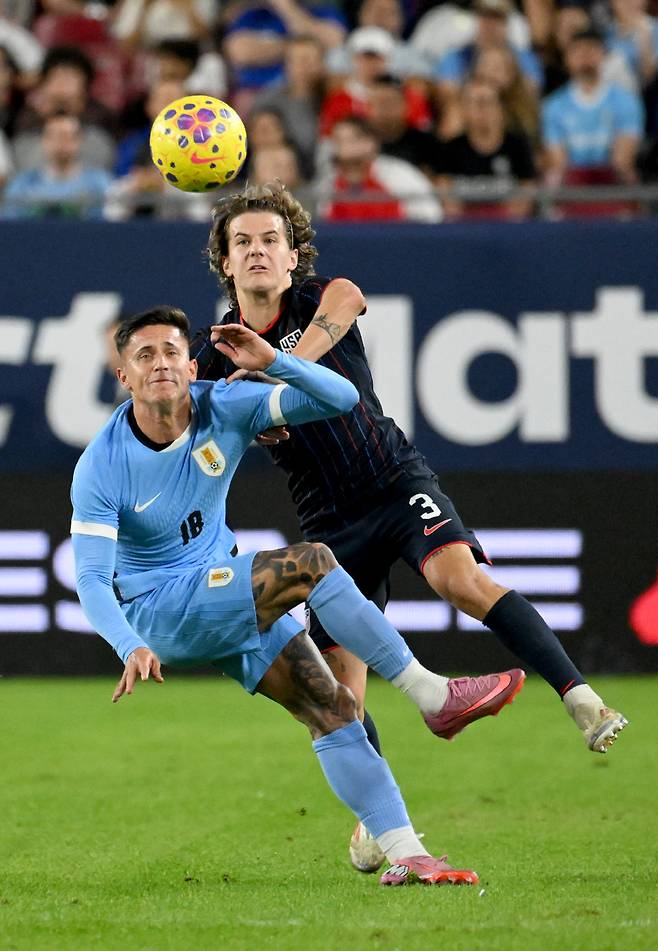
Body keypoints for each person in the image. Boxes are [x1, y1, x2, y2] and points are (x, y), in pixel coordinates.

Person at [193, 181, 628, 873]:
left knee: (461, 578)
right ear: (224, 262)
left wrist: (275, 366)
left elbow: (346, 304)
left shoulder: (320, 297)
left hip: (395, 481)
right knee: (341, 695)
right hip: (327, 522)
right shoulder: (212, 355)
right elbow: (188, 428)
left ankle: (581, 697)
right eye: (241, 242)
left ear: (292, 253)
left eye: (270, 240)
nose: (256, 252)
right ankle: (380, 826)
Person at [71, 302, 526, 887]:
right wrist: (127, 644)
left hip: (219, 591)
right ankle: (432, 693)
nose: (160, 363)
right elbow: (89, 578)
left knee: (333, 709)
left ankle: (407, 853)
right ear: (123, 376)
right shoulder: (101, 466)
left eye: (171, 352)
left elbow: (339, 399)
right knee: (309, 562)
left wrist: (276, 362)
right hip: (160, 612)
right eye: (144, 355)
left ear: (191, 365)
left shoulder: (225, 405)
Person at [542, 28, 644, 187]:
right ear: (567, 58)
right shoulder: (554, 106)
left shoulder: (626, 101)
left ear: (603, 55)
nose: (585, 58)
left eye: (591, 50)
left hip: (612, 187)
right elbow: (559, 163)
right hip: (572, 190)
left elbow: (622, 162)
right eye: (578, 52)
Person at [434, 78, 536, 219]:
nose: (481, 109)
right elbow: (447, 200)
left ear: (500, 107)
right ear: (463, 109)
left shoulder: (518, 146)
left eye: (487, 102)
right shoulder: (450, 149)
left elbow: (526, 195)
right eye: (474, 102)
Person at [315, 114, 442, 222]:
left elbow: (431, 214)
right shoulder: (327, 183)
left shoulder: (397, 174)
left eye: (352, 139)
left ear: (371, 143)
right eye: (338, 140)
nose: (344, 146)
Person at [2, 111, 112, 217]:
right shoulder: (22, 184)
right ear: (44, 140)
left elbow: (111, 220)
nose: (62, 142)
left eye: (68, 136)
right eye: (55, 136)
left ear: (79, 140)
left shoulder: (101, 183)